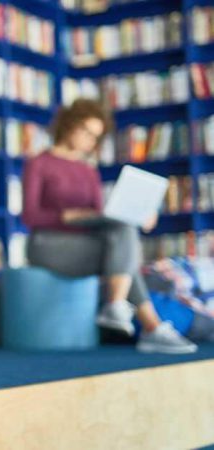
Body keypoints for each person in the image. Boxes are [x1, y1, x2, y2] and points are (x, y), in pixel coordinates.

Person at [21, 98, 197, 354]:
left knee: (124, 230)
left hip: (86, 243)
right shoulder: (39, 163)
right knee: (126, 257)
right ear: (68, 124)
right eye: (84, 131)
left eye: (94, 136)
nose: (88, 140)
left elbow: (100, 216)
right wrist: (67, 216)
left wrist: (136, 215)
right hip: (45, 244)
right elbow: (30, 216)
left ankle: (120, 308)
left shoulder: (88, 171)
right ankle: (149, 327)